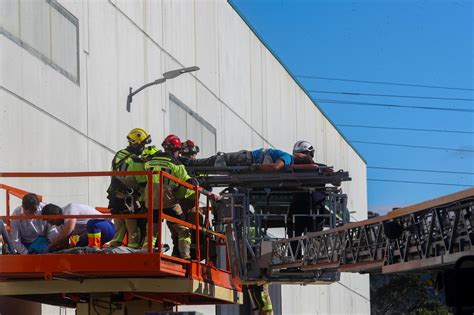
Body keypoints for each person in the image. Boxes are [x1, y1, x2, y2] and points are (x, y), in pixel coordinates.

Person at [143, 134, 195, 259]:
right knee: (183, 230)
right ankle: (185, 256)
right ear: (175, 150)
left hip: (150, 200)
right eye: (178, 151)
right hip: (168, 201)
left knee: (152, 229)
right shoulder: (176, 164)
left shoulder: (149, 162)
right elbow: (186, 181)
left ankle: (146, 250)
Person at [106, 128, 151, 248]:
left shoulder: (119, 154)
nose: (143, 148)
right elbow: (142, 182)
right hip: (129, 199)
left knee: (119, 226)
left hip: (114, 196)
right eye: (142, 145)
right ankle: (133, 248)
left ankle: (114, 246)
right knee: (132, 228)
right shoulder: (135, 160)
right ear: (136, 144)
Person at [42, 203, 115, 250]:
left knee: (92, 224)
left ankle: (94, 250)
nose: (52, 224)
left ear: (56, 214)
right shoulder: (60, 226)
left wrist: (49, 246)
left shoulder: (69, 208)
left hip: (107, 227)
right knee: (78, 250)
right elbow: (64, 243)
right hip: (91, 236)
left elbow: (68, 231)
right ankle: (92, 250)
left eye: (51, 221)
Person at [186, 146, 294, 171]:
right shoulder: (288, 158)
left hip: (247, 158)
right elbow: (275, 166)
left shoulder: (288, 158)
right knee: (218, 162)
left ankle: (190, 163)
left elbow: (275, 167)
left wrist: (256, 167)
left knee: (218, 160)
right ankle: (191, 163)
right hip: (247, 159)